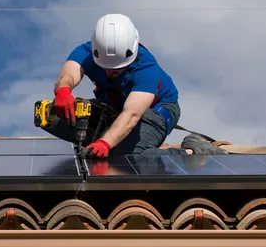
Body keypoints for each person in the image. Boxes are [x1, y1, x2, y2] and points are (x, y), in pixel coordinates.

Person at [40, 13, 183, 157]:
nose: (110, 71)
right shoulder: (87, 52)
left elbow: (132, 114)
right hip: (115, 106)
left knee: (130, 158)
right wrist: (63, 90)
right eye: (105, 66)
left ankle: (188, 151)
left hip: (157, 110)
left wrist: (105, 143)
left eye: (117, 69)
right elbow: (68, 74)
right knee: (48, 116)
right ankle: (115, 140)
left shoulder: (147, 70)